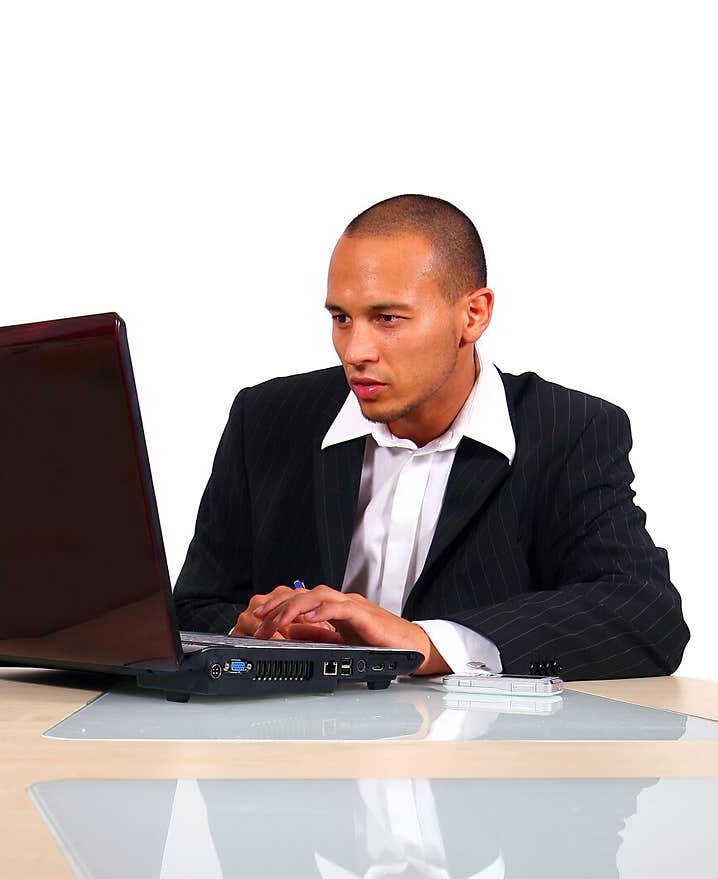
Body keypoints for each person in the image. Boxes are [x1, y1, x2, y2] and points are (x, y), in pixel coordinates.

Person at [173, 194, 690, 680]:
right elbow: (192, 608)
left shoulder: (568, 429)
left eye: (387, 318)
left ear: (474, 314)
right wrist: (249, 629)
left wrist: (426, 643)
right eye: (341, 318)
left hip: (475, 761)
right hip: (300, 754)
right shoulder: (267, 417)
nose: (356, 351)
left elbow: (644, 612)